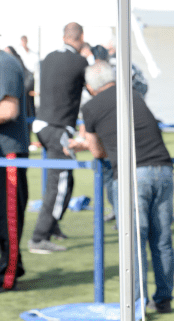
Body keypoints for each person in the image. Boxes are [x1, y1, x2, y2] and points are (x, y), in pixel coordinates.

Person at [73, 61, 174, 313]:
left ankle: (136, 305)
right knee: (161, 240)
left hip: (132, 175)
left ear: (89, 86)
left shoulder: (90, 107)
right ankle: (163, 299)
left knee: (133, 241)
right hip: (162, 169)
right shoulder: (133, 94)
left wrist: (83, 145)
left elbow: (97, 150)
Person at [28, 22, 88, 254]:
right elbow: (93, 89)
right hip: (59, 128)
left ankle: (51, 227)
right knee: (59, 184)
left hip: (43, 124)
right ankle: (39, 237)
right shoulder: (80, 62)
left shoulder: (48, 58)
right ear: (80, 37)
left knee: (64, 181)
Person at [0, 48, 29, 291]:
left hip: (7, 152)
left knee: (7, 219)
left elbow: (8, 110)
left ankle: (6, 275)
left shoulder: (5, 64)